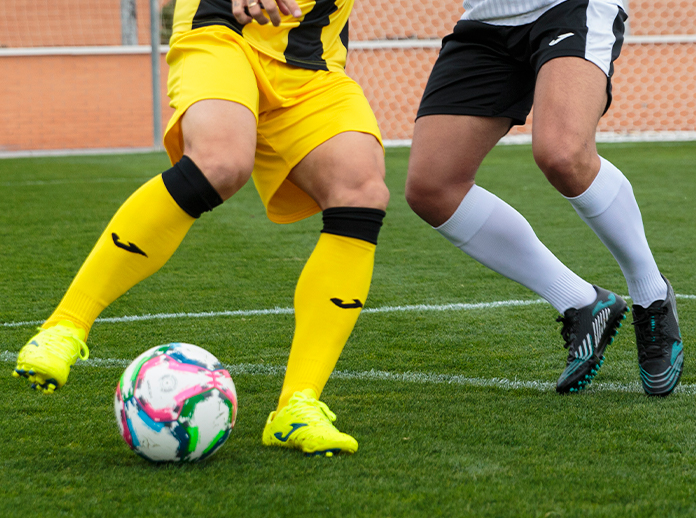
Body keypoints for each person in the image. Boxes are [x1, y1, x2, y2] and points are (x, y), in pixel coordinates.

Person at [13, 0, 390, 455]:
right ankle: (66, 327)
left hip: (311, 58)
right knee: (220, 161)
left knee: (362, 190)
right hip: (222, 28)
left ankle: (297, 405)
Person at [405, 0, 683, 396]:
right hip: (487, 21)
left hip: (566, 6)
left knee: (562, 153)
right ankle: (581, 302)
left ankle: (651, 294)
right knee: (432, 188)